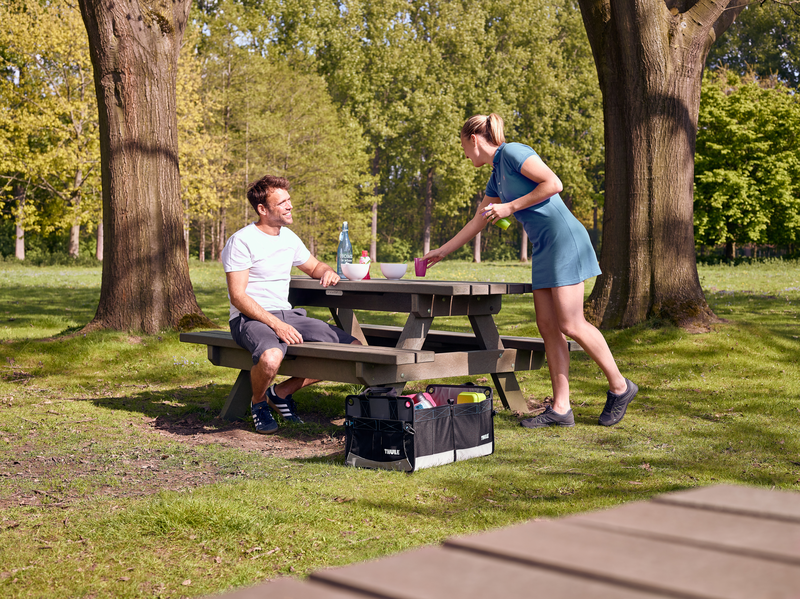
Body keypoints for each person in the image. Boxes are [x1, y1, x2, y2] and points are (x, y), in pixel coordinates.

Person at [422, 114, 637, 428]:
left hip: (564, 240)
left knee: (571, 323)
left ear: (474, 139)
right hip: (544, 247)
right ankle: (561, 408)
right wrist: (442, 251)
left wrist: (510, 207)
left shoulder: (513, 153)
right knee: (547, 326)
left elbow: (554, 183)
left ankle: (620, 386)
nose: (465, 155)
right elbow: (478, 220)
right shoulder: (496, 176)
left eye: (464, 147)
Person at [221, 175, 360, 434]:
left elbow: (314, 266)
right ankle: (258, 403)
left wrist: (327, 271)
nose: (290, 206)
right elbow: (238, 297)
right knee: (271, 357)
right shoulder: (241, 241)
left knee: (354, 350)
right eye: (282, 202)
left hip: (287, 314)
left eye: (289, 200)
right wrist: (277, 325)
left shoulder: (288, 238)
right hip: (249, 318)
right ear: (263, 209)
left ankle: (281, 392)